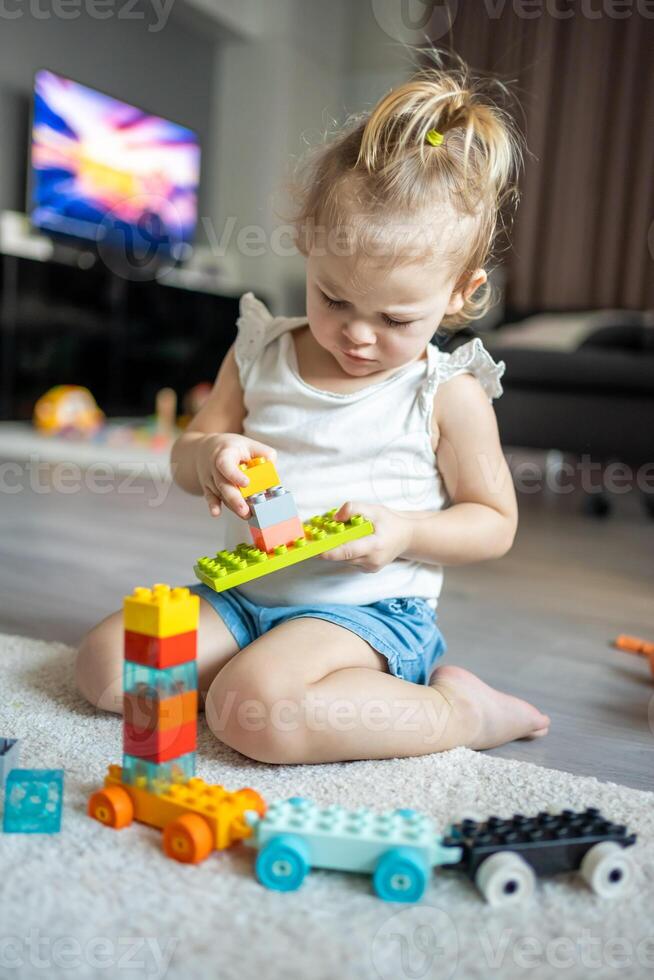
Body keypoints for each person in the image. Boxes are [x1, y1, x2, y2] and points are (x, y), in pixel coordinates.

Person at [77, 57, 550, 764]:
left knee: (252, 713)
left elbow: (494, 524)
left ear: (460, 292)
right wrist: (207, 457)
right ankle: (277, 687)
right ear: (307, 249)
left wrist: (404, 531)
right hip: (244, 597)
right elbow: (191, 447)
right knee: (108, 666)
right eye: (333, 299)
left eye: (394, 317)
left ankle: (460, 712)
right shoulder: (260, 351)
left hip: (368, 613)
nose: (358, 334)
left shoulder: (446, 391)